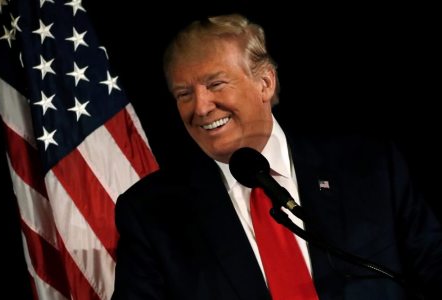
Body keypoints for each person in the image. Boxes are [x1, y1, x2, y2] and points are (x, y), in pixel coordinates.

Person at [111, 14, 442, 299]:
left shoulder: (369, 167)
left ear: (265, 83)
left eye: (216, 84)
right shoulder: (152, 213)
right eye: (184, 94)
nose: (200, 107)